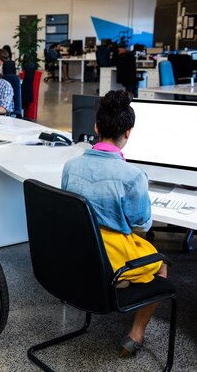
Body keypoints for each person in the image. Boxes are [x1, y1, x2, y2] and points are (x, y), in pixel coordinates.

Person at [61, 90, 167, 358]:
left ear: (96, 127)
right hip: (113, 262)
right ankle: (135, 334)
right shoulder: (133, 176)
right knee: (162, 266)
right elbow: (142, 225)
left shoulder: (70, 166)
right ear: (128, 132)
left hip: (77, 253)